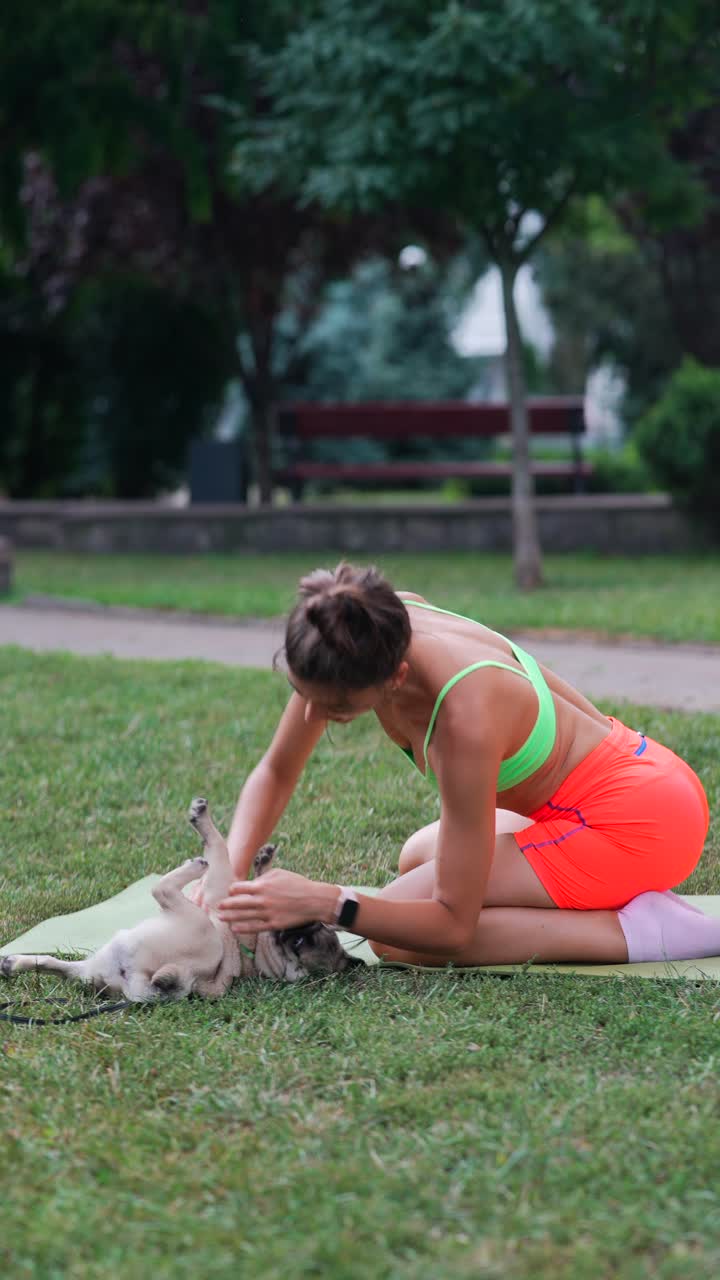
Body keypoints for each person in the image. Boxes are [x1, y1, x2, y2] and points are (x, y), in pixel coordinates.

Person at [214, 562, 716, 967]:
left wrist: (330, 903)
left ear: (395, 678)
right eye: (304, 694)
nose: (311, 716)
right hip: (630, 784)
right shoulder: (371, 626)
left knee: (398, 938)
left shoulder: (465, 719)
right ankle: (603, 889)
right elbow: (278, 769)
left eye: (334, 708)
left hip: (636, 824)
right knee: (417, 858)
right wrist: (228, 870)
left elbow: (452, 926)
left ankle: (647, 931)